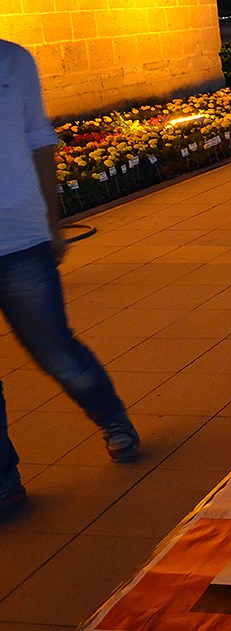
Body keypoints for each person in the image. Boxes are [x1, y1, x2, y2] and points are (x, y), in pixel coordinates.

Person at [0, 40, 141, 515]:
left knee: (58, 353)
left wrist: (52, 220)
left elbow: (39, 138)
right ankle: (4, 482)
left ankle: (111, 417)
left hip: (19, 237)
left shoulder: (12, 60)